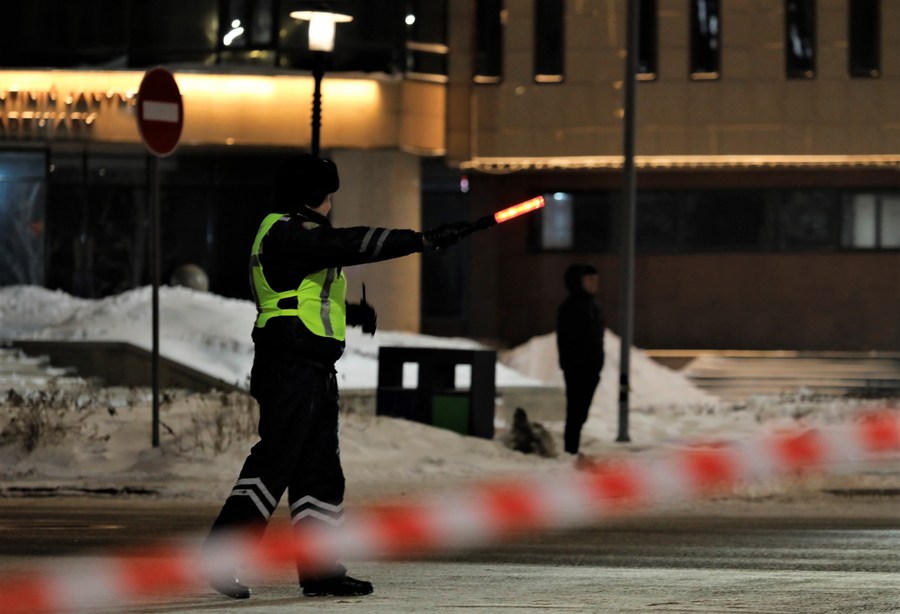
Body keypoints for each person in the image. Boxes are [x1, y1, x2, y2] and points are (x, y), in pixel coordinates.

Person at [203, 154, 469, 600]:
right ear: (311, 196)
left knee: (319, 474)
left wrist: (349, 312)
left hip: (310, 367)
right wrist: (422, 240)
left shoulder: (292, 234)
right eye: (327, 196)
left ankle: (322, 570)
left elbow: (299, 293)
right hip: (291, 367)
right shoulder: (289, 231)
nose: (330, 205)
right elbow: (351, 243)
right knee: (275, 465)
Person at [556, 263, 606, 457]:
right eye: (590, 279)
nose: (594, 284)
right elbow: (565, 340)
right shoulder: (570, 307)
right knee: (575, 410)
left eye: (596, 279)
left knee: (581, 411)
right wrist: (570, 363)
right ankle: (570, 449)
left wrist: (598, 362)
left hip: (592, 367)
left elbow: (598, 338)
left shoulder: (595, 306)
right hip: (576, 368)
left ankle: (572, 448)